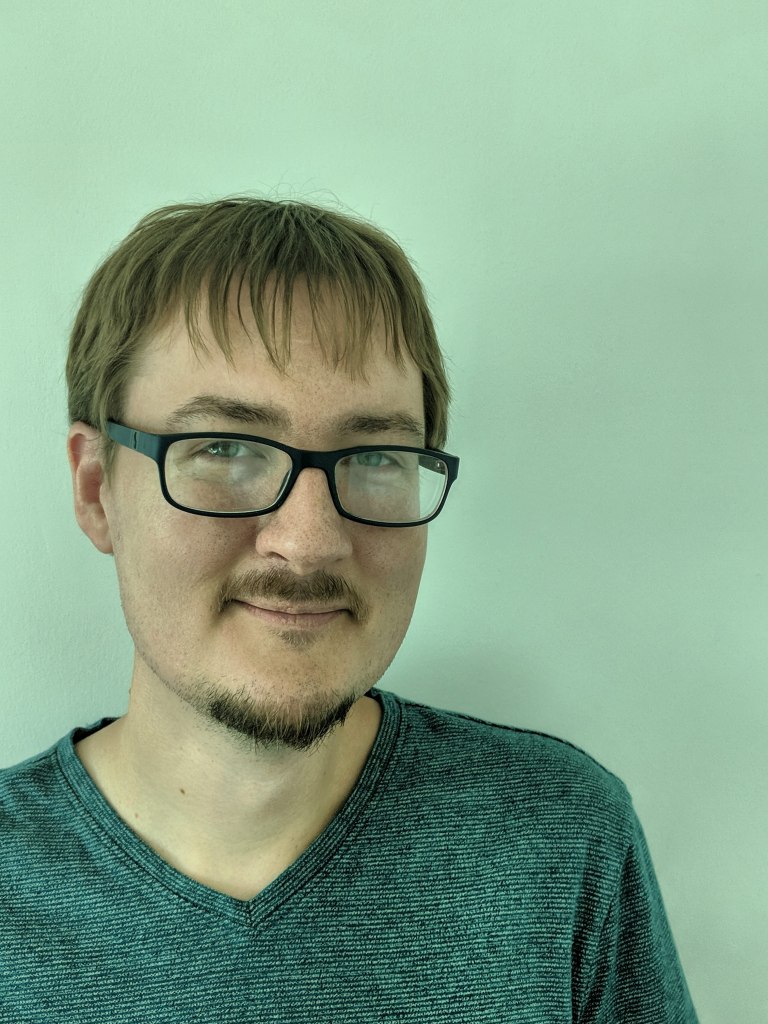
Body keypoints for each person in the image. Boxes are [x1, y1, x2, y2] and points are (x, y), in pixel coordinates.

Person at [0, 196, 698, 1022]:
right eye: (223, 448)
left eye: (374, 456)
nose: (308, 543)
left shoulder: (561, 843)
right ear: (97, 490)